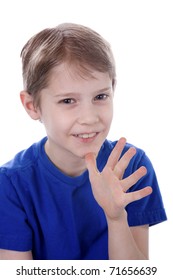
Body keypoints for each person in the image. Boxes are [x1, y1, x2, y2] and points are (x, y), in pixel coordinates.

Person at [0, 23, 167, 260]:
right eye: (68, 101)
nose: (89, 118)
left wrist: (116, 218)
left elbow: (136, 274)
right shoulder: (10, 185)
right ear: (32, 105)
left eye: (100, 96)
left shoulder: (132, 167)